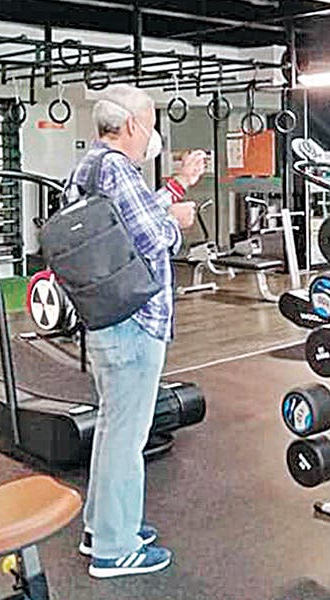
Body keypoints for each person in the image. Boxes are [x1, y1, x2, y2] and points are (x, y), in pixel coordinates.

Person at [68, 84, 207, 578]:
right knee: (127, 439)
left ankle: (101, 526)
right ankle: (115, 548)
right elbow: (150, 235)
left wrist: (178, 186)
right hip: (134, 322)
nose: (152, 134)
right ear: (130, 125)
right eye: (150, 124)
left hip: (107, 319)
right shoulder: (119, 169)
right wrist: (178, 222)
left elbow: (128, 219)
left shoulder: (89, 167)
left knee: (113, 430)